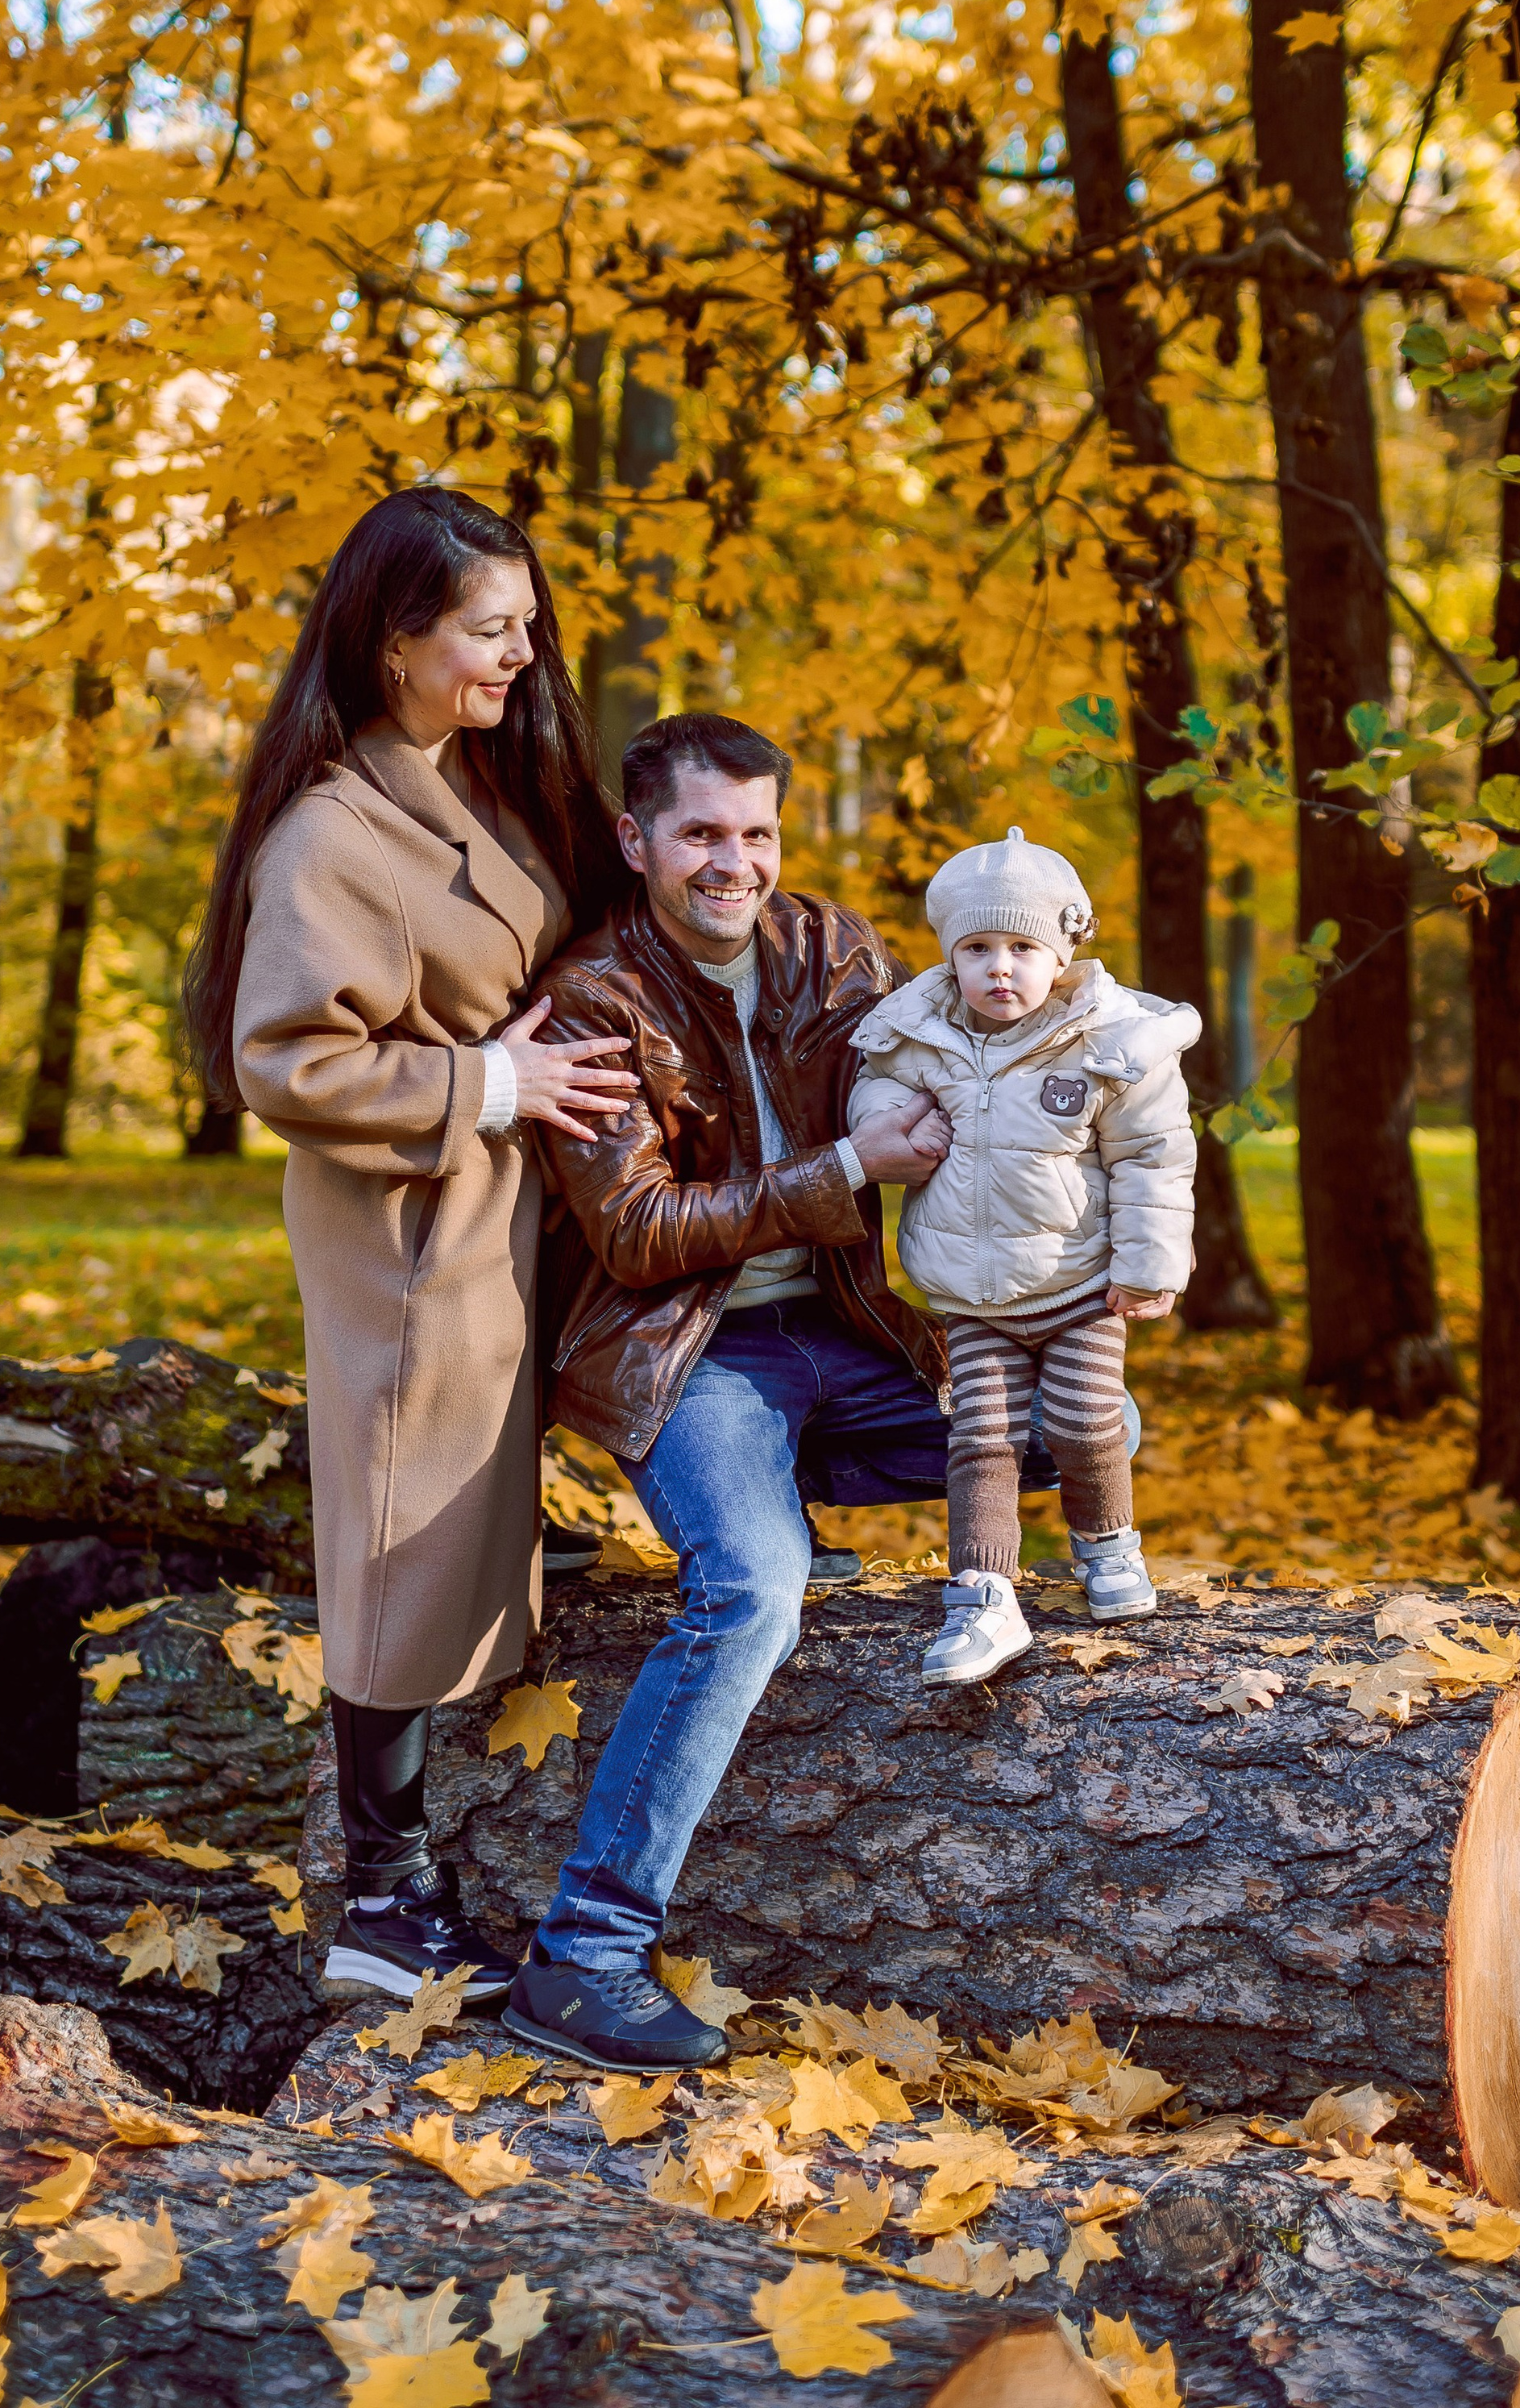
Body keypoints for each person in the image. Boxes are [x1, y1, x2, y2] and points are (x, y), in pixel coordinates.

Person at [183, 486, 635, 2007]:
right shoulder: (334, 827)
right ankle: (383, 1904)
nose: (521, 656)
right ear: (396, 641)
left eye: (527, 625)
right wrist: (494, 1081)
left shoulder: (464, 782)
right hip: (409, 1229)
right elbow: (288, 1063)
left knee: (452, 1529)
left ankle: (417, 1874)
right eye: (490, 630)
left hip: (497, 1218)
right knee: (395, 1545)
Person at [500, 712, 956, 2075]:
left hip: (849, 1329)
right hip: (691, 1350)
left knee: (1080, 1427)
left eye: (756, 831)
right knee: (755, 1584)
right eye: (702, 832)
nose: (735, 862)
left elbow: (966, 1075)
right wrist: (841, 1175)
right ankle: (583, 1952)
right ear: (638, 838)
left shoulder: (836, 949)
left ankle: (795, 1471)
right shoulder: (598, 998)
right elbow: (635, 1232)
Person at [846, 828, 1198, 1685]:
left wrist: (1148, 1261)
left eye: (1022, 947)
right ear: (949, 954)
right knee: (982, 1437)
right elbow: (874, 1086)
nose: (999, 967)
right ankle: (981, 1589)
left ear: (1064, 950)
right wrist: (894, 1123)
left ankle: (1107, 1542)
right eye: (977, 948)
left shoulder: (1109, 1040)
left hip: (1077, 1284)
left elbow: (1153, 1153)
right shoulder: (918, 1030)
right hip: (972, 1297)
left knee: (1082, 1420)